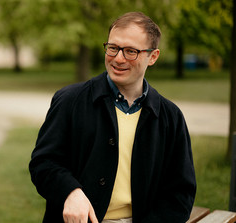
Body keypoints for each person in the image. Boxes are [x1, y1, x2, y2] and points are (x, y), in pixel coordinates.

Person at [29, 12, 196, 223]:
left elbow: (180, 192)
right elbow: (43, 163)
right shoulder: (69, 101)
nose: (118, 58)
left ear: (152, 56)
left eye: (130, 51)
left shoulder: (171, 117)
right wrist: (70, 191)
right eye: (113, 48)